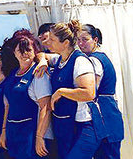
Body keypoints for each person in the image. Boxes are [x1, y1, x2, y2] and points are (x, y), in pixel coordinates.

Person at [43, 21, 102, 159]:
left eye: (52, 39)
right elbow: (42, 55)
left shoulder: (80, 61)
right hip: (67, 125)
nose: (47, 42)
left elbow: (89, 93)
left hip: (85, 125)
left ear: (65, 43)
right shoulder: (59, 60)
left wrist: (61, 92)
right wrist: (41, 61)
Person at [0, 30, 51, 159]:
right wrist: (4, 131)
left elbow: (46, 107)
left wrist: (39, 137)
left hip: (30, 134)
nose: (24, 53)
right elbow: (8, 106)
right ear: (14, 53)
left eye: (28, 49)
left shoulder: (38, 74)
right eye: (20, 51)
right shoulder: (12, 75)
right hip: (13, 133)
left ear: (34, 51)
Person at [77, 24, 123, 159]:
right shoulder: (103, 57)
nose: (80, 43)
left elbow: (91, 90)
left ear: (95, 40)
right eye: (78, 40)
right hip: (110, 113)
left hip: (104, 116)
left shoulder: (93, 60)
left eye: (84, 39)